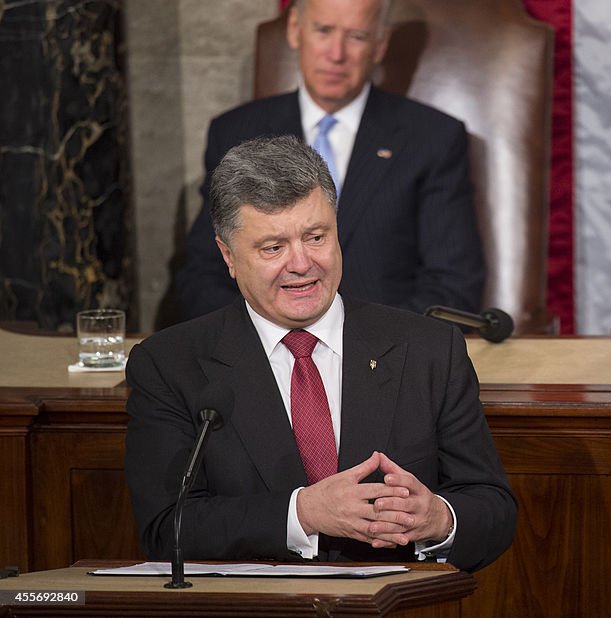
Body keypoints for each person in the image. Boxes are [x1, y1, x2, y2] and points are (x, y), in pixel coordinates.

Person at [126, 136, 515, 572]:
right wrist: (304, 513)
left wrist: (440, 519)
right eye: (273, 247)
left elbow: (493, 508)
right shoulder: (170, 364)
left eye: (315, 237)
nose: (301, 263)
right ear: (228, 255)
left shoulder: (429, 349)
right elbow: (167, 530)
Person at [175, 0, 484, 321]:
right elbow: (202, 275)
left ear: (380, 44)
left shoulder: (431, 138)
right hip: (262, 361)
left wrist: (366, 348)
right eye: (323, 30)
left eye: (356, 36)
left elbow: (453, 285)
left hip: (384, 361)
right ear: (295, 29)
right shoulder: (236, 133)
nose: (336, 55)